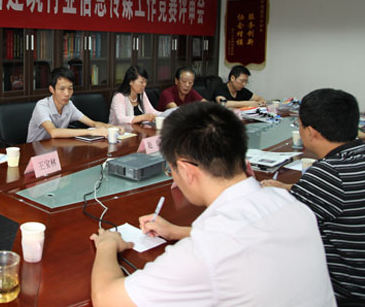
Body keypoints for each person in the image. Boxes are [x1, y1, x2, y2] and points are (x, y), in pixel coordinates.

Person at [89, 102, 335, 307]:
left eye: (170, 170)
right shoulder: (290, 204)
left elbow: (106, 299)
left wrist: (108, 245)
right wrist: (177, 232)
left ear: (187, 171)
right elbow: (244, 236)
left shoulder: (206, 250)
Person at [261, 88, 365, 306]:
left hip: (347, 294)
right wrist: (289, 188)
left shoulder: (327, 175)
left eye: (299, 124)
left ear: (311, 133)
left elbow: (273, 230)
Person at [27, 67, 116, 142]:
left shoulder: (69, 105)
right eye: (62, 89)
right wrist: (91, 132)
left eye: (70, 89)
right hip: (35, 150)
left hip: (56, 148)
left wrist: (113, 128)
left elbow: (92, 123)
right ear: (52, 89)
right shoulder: (42, 106)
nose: (67, 94)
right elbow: (53, 132)